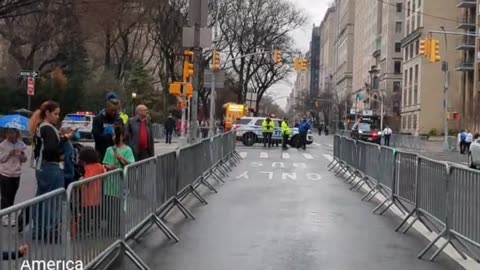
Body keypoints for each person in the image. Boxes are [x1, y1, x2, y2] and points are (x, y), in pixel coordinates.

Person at [30, 100, 74, 241]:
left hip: (41, 167)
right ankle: (50, 231)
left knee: (42, 199)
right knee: (53, 200)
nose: (57, 117)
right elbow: (51, 149)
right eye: (55, 114)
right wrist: (64, 139)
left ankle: (39, 230)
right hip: (50, 167)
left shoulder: (41, 127)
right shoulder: (47, 128)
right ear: (48, 113)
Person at [0, 128, 27, 225]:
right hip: (5, 174)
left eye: (12, 132)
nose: (10, 135)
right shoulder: (3, 145)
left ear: (16, 133)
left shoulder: (21, 144)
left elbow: (24, 159)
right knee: (5, 196)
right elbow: (1, 159)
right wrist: (9, 153)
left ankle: (9, 214)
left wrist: (21, 155)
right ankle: (4, 217)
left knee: (12, 196)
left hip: (16, 174)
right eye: (8, 133)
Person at [78, 147, 105, 236]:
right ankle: (96, 229)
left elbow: (87, 179)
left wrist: (81, 179)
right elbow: (104, 173)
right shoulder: (99, 166)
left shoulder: (87, 168)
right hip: (98, 196)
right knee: (96, 214)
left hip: (87, 197)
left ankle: (86, 230)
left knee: (86, 215)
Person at [92, 92, 124, 159]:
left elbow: (123, 134)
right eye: (111, 110)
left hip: (116, 152)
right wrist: (110, 137)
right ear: (107, 107)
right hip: (102, 152)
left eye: (116, 111)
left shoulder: (119, 119)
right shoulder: (99, 119)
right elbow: (96, 137)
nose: (113, 112)